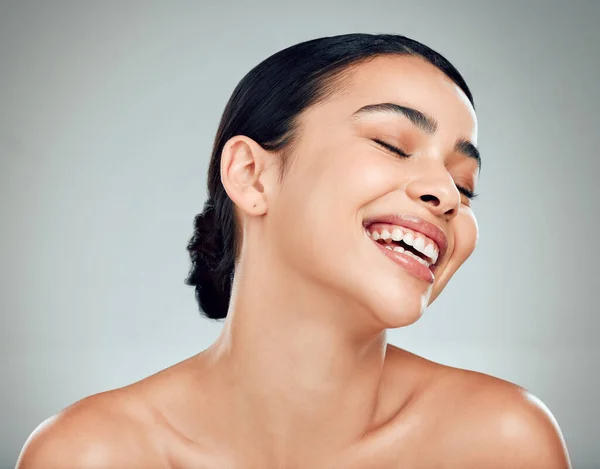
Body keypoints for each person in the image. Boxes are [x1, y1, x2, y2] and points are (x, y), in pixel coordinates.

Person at [16, 33, 571, 468]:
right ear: (253, 175)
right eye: (391, 144)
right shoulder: (90, 454)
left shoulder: (500, 442)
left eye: (465, 184)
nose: (447, 195)